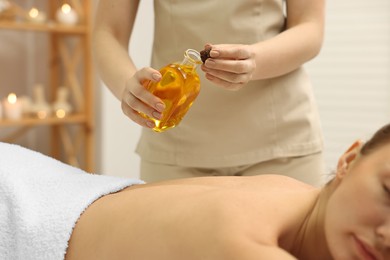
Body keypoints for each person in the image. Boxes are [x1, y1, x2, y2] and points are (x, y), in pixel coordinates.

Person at [2, 123, 390, 260]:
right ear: (349, 160)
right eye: (388, 192)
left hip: (54, 184)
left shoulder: (291, 194)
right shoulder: (242, 242)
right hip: (20, 212)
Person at [92, 0, 326, 184]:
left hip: (280, 144)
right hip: (176, 149)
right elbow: (108, 32)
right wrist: (128, 88)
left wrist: (255, 61)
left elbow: (310, 26)